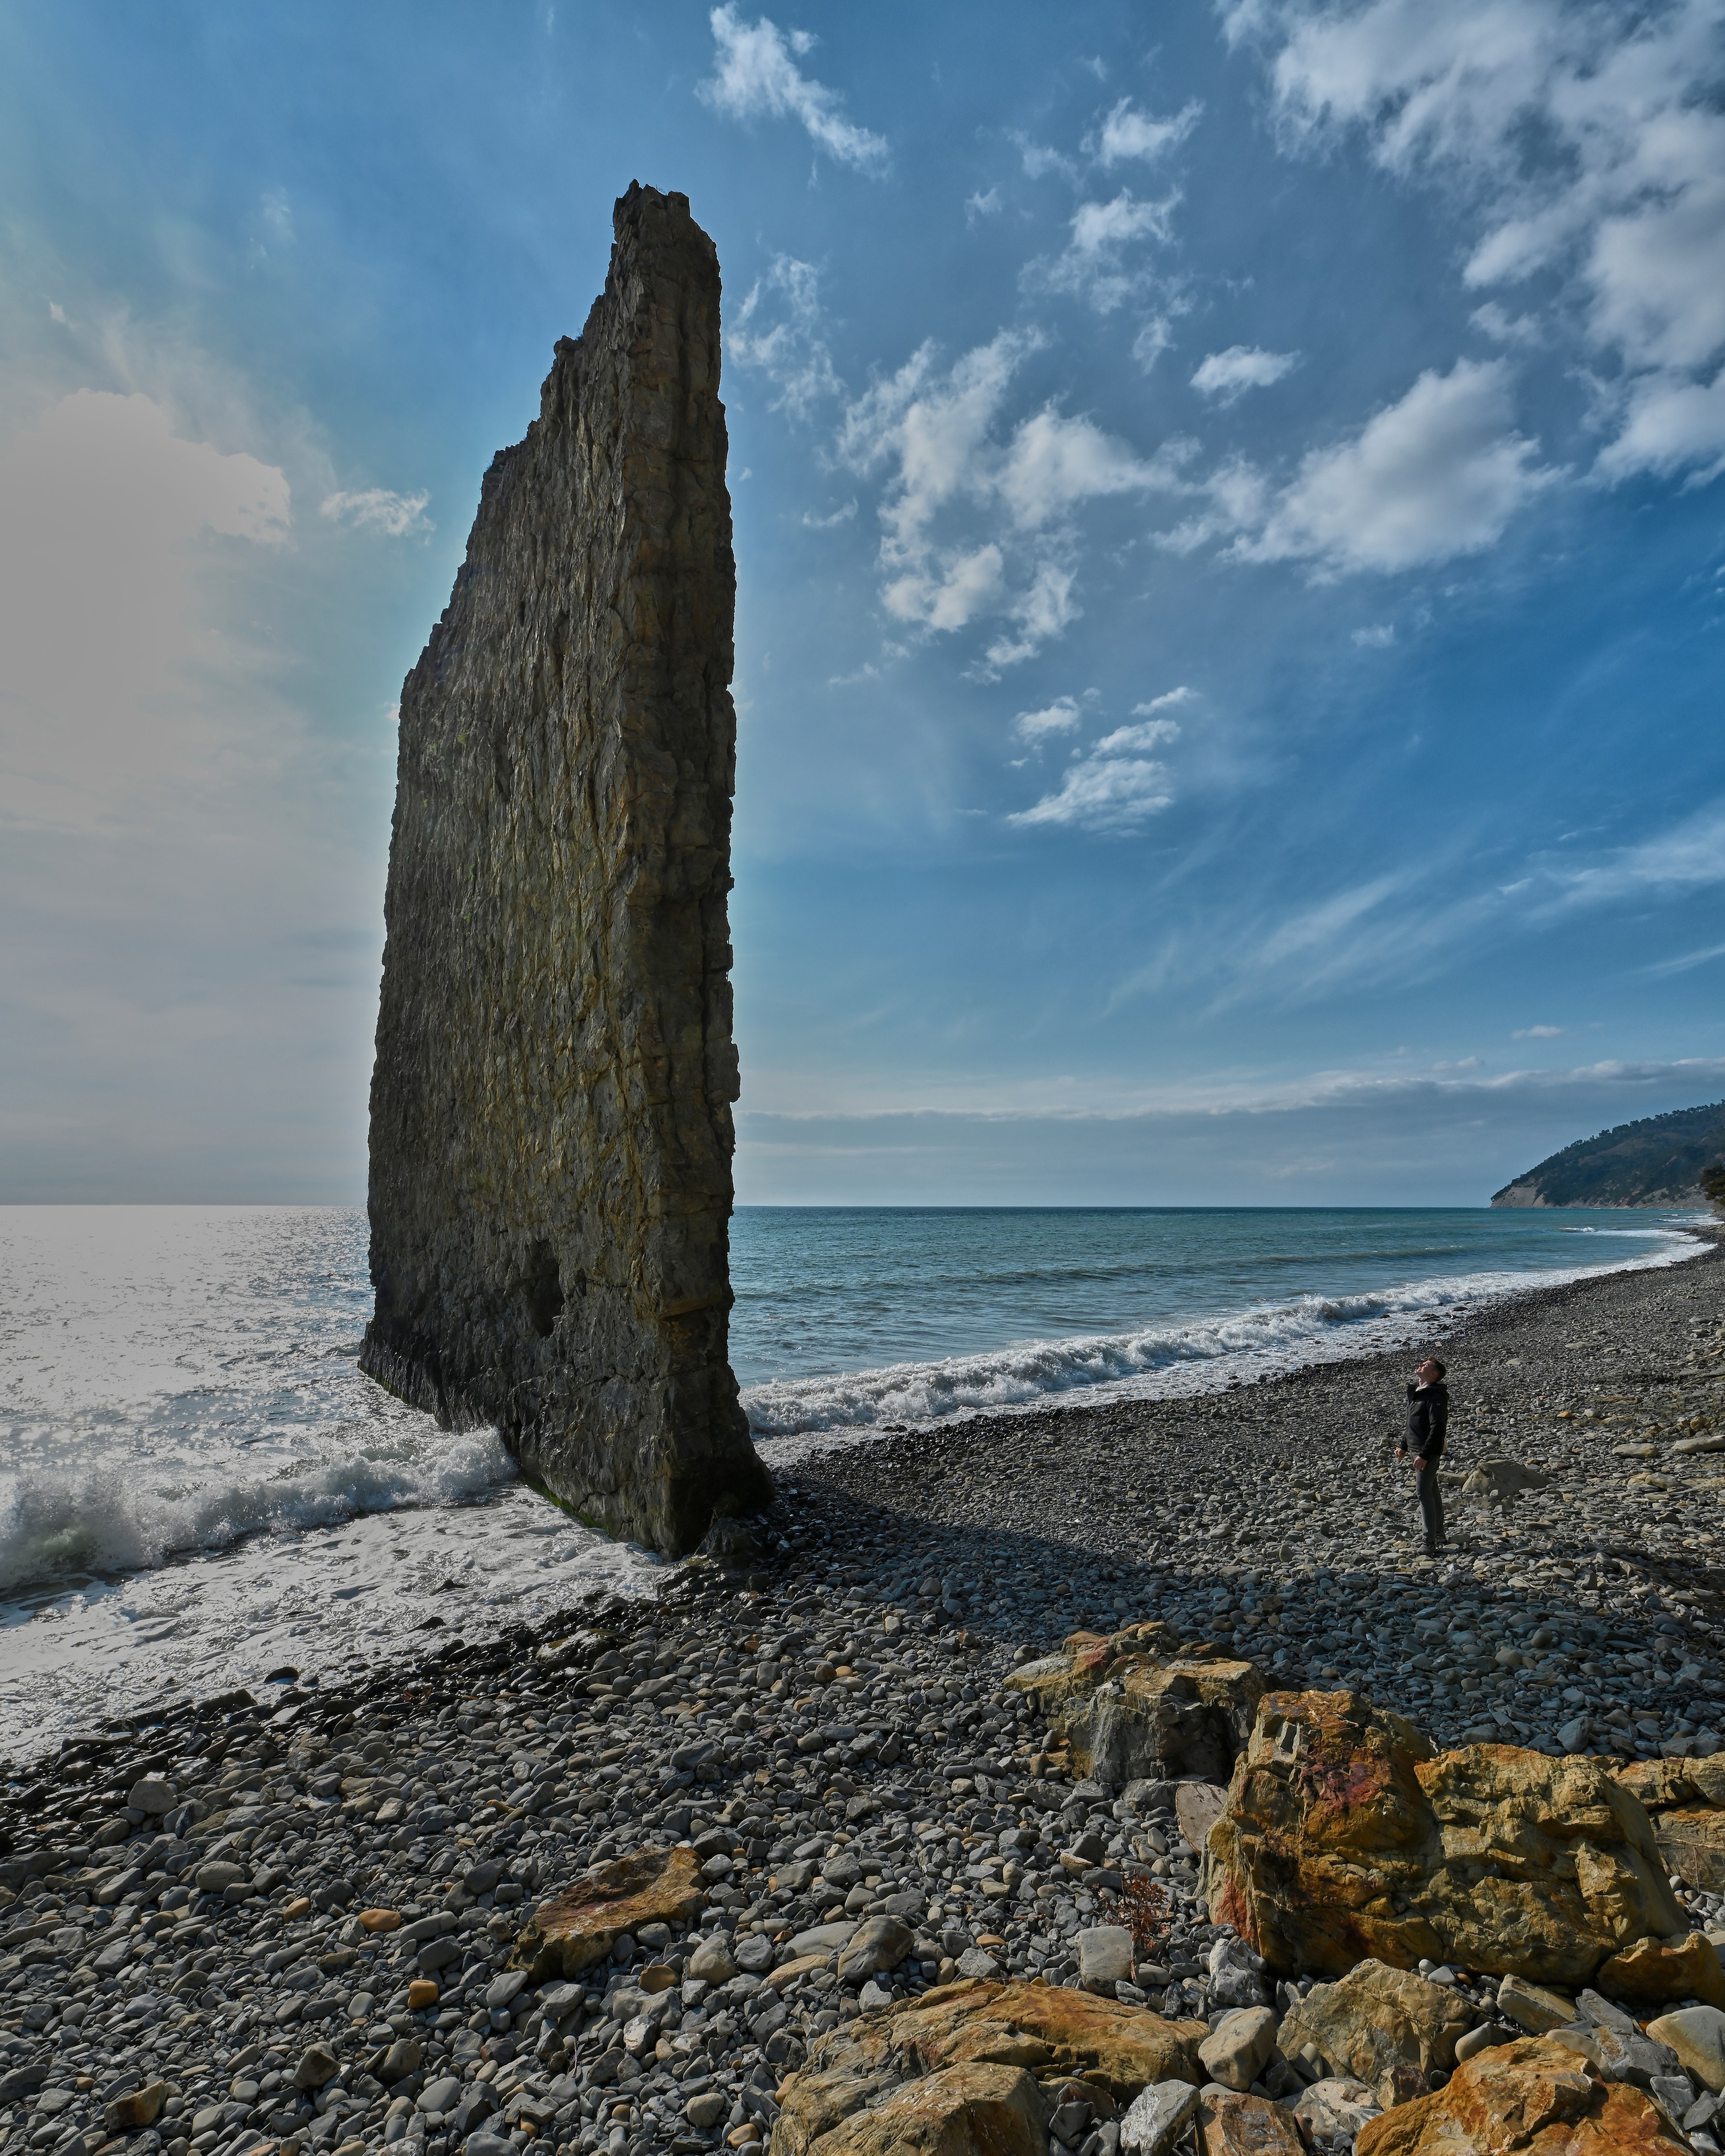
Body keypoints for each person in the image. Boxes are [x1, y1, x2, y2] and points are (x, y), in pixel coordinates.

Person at [1397, 1356, 1449, 1556]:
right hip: (1416, 1450)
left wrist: (1424, 1455)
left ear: (1433, 1374)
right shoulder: (1418, 1393)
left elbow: (1438, 1428)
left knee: (1423, 1493)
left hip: (1426, 1451)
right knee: (1431, 1489)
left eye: (1425, 1365)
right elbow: (1412, 1423)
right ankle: (1438, 1533)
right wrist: (1403, 1445)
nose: (1420, 1365)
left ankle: (1429, 1542)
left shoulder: (1435, 1396)